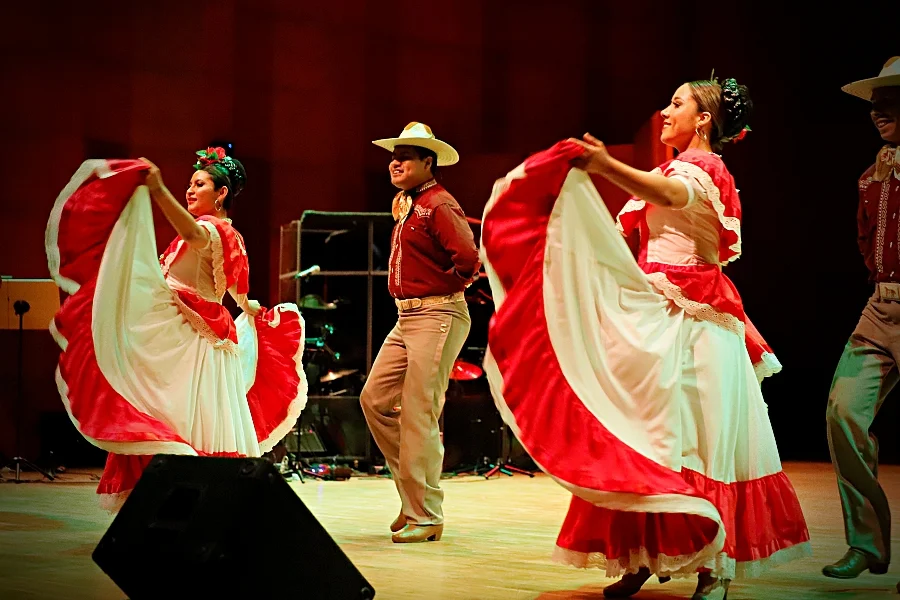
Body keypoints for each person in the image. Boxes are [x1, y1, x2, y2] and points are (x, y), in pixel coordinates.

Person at [479, 78, 810, 599]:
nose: (665, 110)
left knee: (702, 442)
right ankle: (643, 554)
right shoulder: (668, 168)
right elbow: (646, 220)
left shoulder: (706, 170)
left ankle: (713, 566)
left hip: (700, 322)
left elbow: (671, 196)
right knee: (643, 436)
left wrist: (606, 165)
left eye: (678, 103)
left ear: (704, 119)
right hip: (657, 312)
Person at [45, 147, 307, 511]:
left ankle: (192, 504)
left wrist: (158, 190)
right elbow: (239, 294)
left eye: (199, 184)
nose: (190, 189)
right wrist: (252, 309)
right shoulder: (207, 235)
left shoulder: (214, 230)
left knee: (180, 420)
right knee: (164, 414)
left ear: (221, 194)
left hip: (196, 342)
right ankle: (170, 503)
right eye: (188, 184)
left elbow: (202, 246)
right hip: (182, 333)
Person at [361, 122, 480, 543]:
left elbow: (467, 258)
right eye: (394, 155)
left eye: (405, 156)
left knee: (418, 412)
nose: (395, 162)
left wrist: (446, 289)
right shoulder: (409, 203)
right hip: (407, 317)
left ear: (427, 162)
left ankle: (425, 514)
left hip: (437, 313)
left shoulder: (438, 204)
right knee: (374, 400)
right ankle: (414, 494)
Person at [822, 56, 900, 582]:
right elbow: (862, 239)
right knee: (843, 412)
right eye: (875, 104)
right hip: (882, 305)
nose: (878, 112)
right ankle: (867, 544)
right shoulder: (871, 174)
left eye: (891, 102)